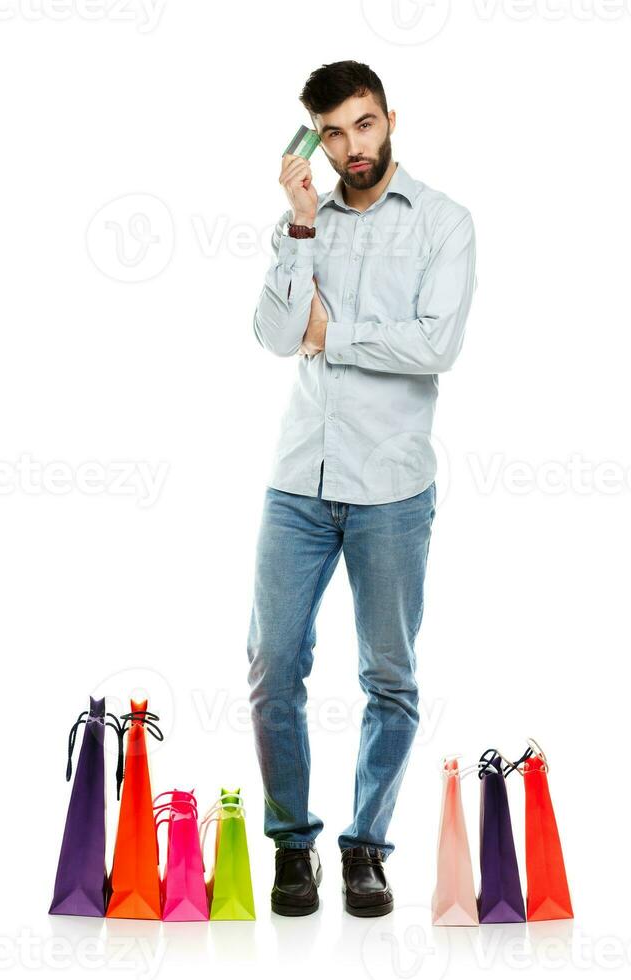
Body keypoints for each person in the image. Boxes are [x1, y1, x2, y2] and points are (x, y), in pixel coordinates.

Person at [246, 60, 477, 917]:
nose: (351, 147)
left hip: (390, 488)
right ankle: (291, 846)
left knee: (390, 677)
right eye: (333, 131)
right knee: (273, 669)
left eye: (364, 124)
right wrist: (301, 225)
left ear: (390, 120)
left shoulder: (444, 223)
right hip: (297, 479)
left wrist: (331, 334)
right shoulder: (304, 220)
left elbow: (435, 346)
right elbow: (275, 336)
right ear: (315, 137)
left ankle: (367, 849)